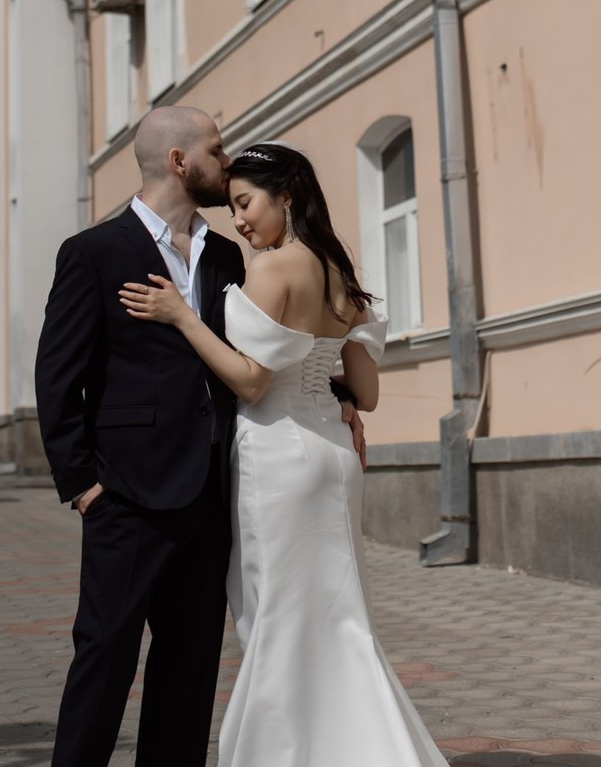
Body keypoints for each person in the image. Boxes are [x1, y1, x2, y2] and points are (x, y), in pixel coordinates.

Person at [120, 141, 449, 767]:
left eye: (245, 204)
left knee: (276, 618)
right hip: (333, 457)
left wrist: (182, 317)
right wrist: (325, 388)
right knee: (340, 616)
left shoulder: (273, 269)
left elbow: (251, 382)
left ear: (287, 196)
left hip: (276, 457)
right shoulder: (340, 274)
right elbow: (367, 395)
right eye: (234, 208)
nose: (239, 221)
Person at [34, 106, 249, 767]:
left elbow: (249, 357)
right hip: (125, 498)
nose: (227, 161)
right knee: (104, 659)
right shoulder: (94, 252)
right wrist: (84, 486)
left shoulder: (226, 256)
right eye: (217, 149)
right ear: (180, 161)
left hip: (209, 496)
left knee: (189, 671)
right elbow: (58, 378)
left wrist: (341, 396)